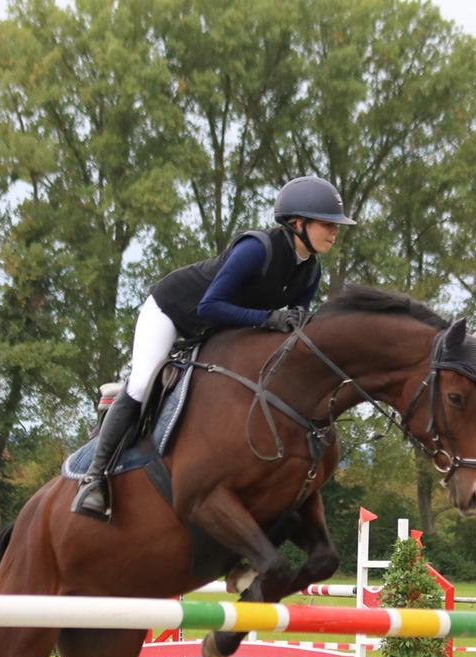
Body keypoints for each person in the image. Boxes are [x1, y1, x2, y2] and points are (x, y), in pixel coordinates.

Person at [72, 175, 356, 519]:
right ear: (298, 223)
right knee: (144, 381)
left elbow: (291, 328)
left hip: (218, 332)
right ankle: (95, 478)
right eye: (327, 224)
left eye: (335, 225)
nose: (334, 232)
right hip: (172, 311)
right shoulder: (256, 249)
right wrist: (269, 317)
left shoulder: (309, 271)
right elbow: (210, 305)